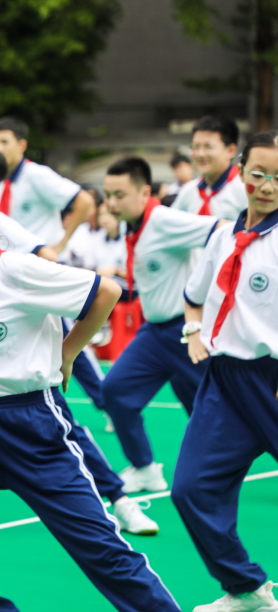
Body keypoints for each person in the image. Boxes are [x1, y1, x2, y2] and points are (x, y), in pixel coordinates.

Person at [0, 170, 180, 612]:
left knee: (101, 551)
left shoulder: (17, 270)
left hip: (32, 425)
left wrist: (67, 352)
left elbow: (106, 291)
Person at [173, 130, 278, 612]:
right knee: (191, 488)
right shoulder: (222, 235)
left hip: (272, 379)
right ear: (240, 172)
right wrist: (193, 331)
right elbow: (194, 296)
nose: (268, 186)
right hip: (224, 380)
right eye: (259, 173)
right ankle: (245, 588)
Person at [102, 157, 219, 493]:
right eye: (108, 195)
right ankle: (145, 469)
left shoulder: (164, 220)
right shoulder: (132, 226)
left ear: (144, 193)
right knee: (115, 391)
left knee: (229, 411)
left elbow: (224, 230)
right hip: (154, 334)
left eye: (120, 195)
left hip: (187, 332)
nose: (111, 203)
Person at [0, 116, 95, 253]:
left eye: (4, 142)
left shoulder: (36, 174)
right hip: (15, 260)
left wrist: (62, 244)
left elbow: (85, 200)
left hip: (42, 260)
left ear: (22, 146)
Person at [172, 116, 246, 220]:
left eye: (208, 147)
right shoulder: (188, 191)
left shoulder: (244, 190)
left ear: (230, 151)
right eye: (196, 147)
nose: (200, 154)